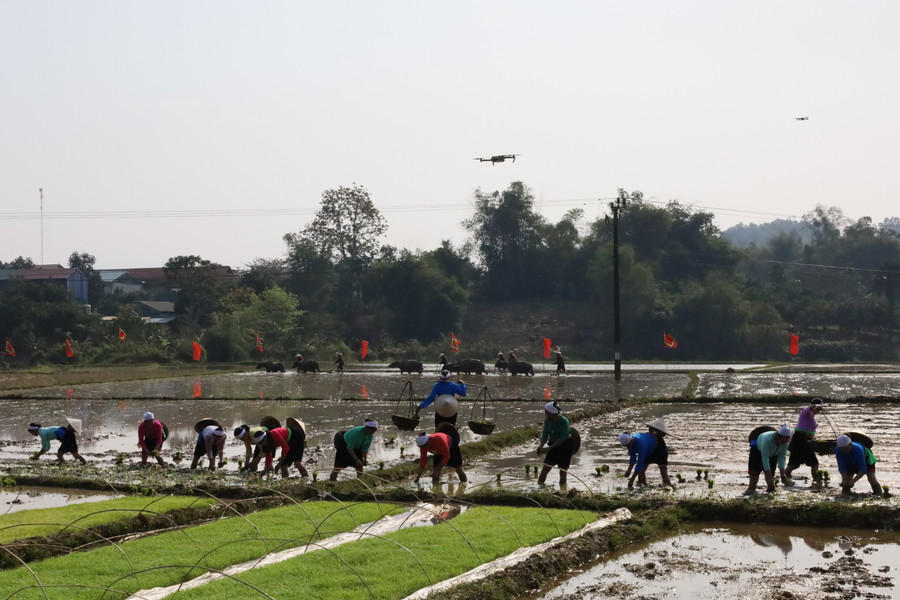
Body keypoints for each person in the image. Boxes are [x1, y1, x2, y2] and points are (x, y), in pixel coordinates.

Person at [784, 398, 825, 485]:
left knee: (795, 463)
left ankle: (785, 475)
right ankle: (816, 480)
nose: (819, 410)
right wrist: (815, 406)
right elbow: (808, 409)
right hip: (801, 440)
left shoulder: (811, 416)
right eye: (818, 408)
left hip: (804, 441)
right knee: (814, 463)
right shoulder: (806, 413)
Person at [745, 425, 792, 494]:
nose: (784, 443)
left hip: (773, 454)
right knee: (754, 473)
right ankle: (751, 489)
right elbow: (765, 458)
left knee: (771, 481)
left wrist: (782, 474)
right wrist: (768, 474)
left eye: (787, 441)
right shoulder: (767, 440)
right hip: (758, 452)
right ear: (778, 437)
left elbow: (782, 457)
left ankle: (770, 489)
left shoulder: (785, 442)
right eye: (784, 441)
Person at [536, 401, 574, 487]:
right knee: (546, 467)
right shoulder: (548, 421)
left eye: (546, 412)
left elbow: (561, 439)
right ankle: (540, 486)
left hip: (565, 445)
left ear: (551, 413)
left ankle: (563, 488)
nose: (545, 413)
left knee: (563, 469)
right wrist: (541, 446)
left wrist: (548, 448)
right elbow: (545, 434)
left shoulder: (564, 422)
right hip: (553, 442)